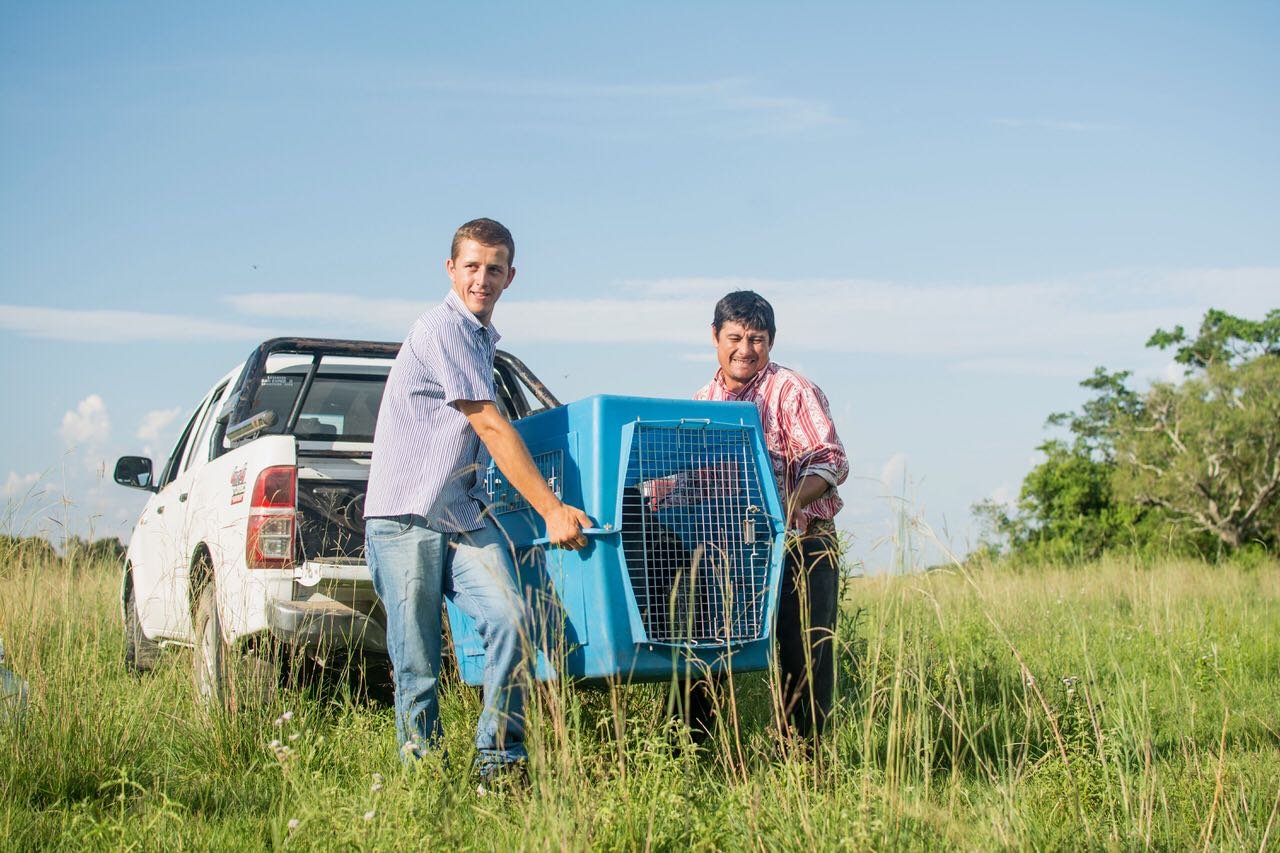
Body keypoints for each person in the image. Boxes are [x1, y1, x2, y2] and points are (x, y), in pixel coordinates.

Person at [364, 218, 591, 780]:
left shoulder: (481, 339)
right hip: (405, 516)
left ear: (510, 276)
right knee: (417, 663)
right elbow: (488, 423)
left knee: (512, 619)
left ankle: (499, 764)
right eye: (471, 266)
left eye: (494, 269)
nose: (481, 279)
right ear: (451, 269)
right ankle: (424, 777)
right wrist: (551, 509)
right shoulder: (443, 327)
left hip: (459, 513)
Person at [685, 290, 848, 746]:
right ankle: (692, 754)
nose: (745, 349)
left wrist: (785, 504)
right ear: (715, 337)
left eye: (756, 339)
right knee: (706, 652)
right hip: (727, 553)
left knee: (803, 657)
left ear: (770, 342)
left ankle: (805, 762)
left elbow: (830, 461)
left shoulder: (792, 390)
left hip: (801, 545)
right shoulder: (701, 401)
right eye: (735, 338)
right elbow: (687, 481)